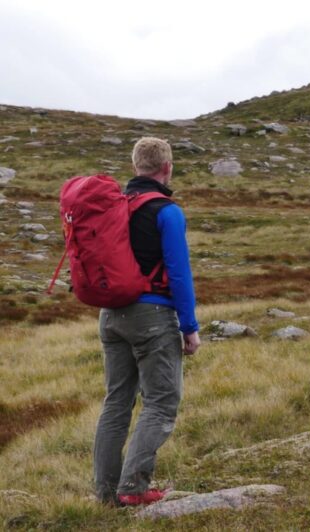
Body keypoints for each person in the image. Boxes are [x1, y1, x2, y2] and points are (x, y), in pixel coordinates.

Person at [93, 137, 201, 506]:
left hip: (110, 316)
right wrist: (189, 327)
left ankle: (106, 493)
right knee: (161, 402)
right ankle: (134, 489)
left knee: (116, 403)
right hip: (152, 316)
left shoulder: (115, 207)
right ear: (166, 167)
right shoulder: (166, 210)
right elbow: (179, 273)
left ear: (135, 166)